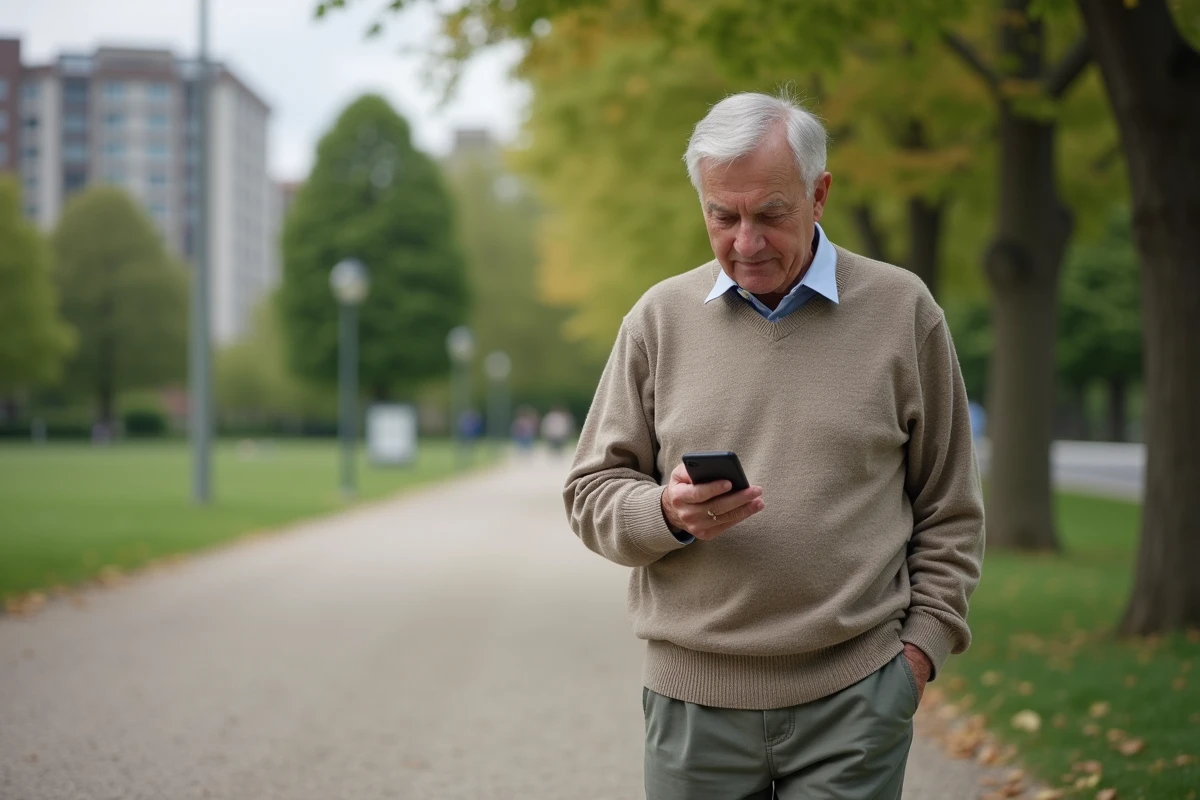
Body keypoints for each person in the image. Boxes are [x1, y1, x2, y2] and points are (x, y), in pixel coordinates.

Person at [563, 92, 985, 799]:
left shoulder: (903, 312)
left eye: (770, 214)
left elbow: (950, 508)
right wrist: (666, 514)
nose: (745, 243)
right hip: (693, 707)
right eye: (722, 216)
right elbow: (590, 493)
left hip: (856, 700)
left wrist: (917, 657)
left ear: (818, 195)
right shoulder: (656, 321)